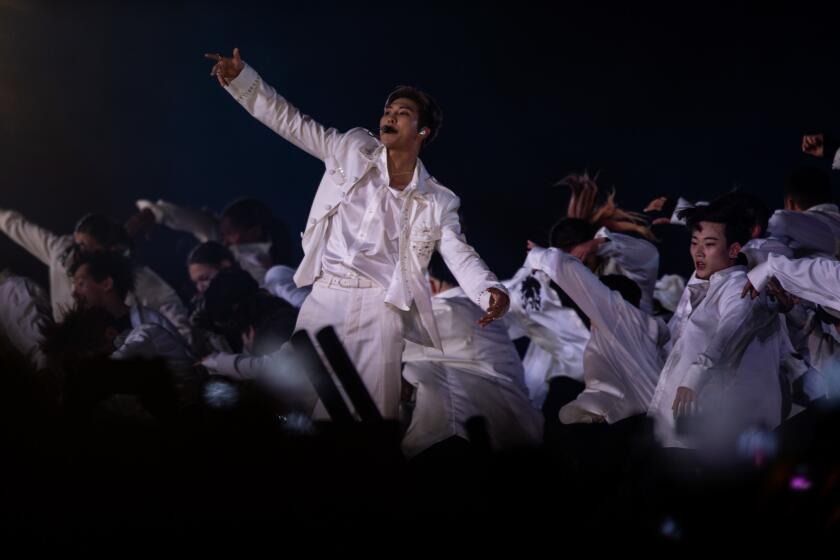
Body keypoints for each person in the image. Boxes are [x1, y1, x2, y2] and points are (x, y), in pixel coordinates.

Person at [204, 48, 509, 418]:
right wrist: (243, 80)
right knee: (297, 396)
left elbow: (459, 252)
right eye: (388, 111)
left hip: (379, 311)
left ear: (422, 132)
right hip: (325, 297)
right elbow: (291, 121)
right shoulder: (350, 147)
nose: (390, 117)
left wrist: (489, 290)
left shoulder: (438, 200)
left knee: (367, 417)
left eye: (403, 113)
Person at [647, 200, 782, 454]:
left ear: (733, 250)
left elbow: (730, 329)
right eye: (694, 242)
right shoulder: (706, 282)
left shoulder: (739, 286)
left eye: (709, 245)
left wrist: (695, 376)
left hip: (703, 434)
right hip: (675, 429)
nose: (698, 252)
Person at [400, 255, 542, 457]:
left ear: (430, 283)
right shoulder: (479, 313)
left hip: (466, 446)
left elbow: (385, 335)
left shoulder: (449, 311)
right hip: (519, 440)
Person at [524, 244, 669, 425]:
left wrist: (540, 255)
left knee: (562, 400)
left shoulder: (617, 317)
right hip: (652, 421)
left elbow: (571, 272)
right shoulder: (644, 334)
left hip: (638, 424)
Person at [0, 210, 191, 338]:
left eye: (85, 247)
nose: (78, 252)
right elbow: (19, 227)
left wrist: (184, 353)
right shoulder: (61, 252)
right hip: (66, 343)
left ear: (108, 250)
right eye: (77, 244)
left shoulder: (132, 275)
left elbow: (169, 307)